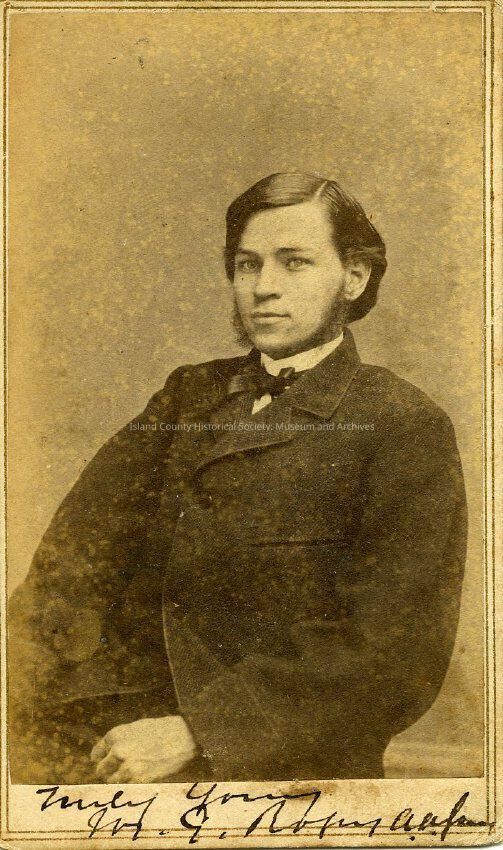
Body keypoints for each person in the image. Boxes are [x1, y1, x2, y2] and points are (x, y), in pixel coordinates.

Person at [8, 172, 467, 784]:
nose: (264, 287)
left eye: (294, 262)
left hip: (273, 769)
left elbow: (391, 654)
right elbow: (69, 564)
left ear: (354, 277)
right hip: (104, 746)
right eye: (248, 264)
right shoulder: (188, 395)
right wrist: (32, 704)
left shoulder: (402, 424)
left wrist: (200, 731)